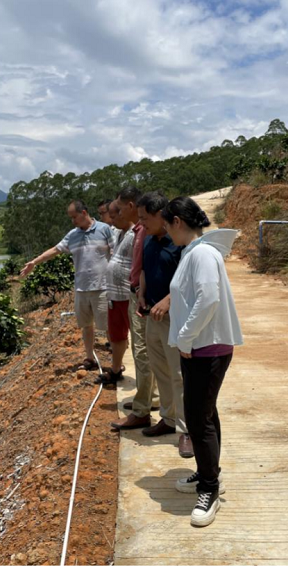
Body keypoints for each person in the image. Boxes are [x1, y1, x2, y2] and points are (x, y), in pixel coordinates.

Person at [162, 196, 243, 528]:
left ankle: (209, 489)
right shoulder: (195, 253)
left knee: (198, 418)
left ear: (178, 222)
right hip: (200, 347)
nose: (167, 233)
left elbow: (208, 298)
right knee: (204, 413)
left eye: (167, 226)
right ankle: (210, 474)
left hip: (205, 348)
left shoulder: (203, 254)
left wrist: (184, 335)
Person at [130, 192, 194, 459]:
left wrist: (168, 301)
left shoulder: (179, 242)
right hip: (152, 315)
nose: (141, 223)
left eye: (145, 217)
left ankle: (187, 431)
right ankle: (168, 419)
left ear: (161, 215)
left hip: (174, 317)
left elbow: (186, 280)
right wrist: (143, 294)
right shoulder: (148, 240)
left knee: (179, 375)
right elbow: (145, 270)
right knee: (161, 370)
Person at [20, 199, 114, 370]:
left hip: (102, 287)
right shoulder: (73, 235)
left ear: (84, 213)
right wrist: (34, 262)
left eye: (74, 217)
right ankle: (89, 358)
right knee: (86, 326)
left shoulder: (104, 229)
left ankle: (116, 363)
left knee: (108, 326)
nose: (73, 221)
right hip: (81, 288)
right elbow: (55, 250)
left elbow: (115, 253)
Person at [111, 187, 160, 430]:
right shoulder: (139, 230)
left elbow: (146, 265)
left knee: (141, 352)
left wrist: (141, 293)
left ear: (131, 206)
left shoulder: (143, 231)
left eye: (119, 208)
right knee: (146, 351)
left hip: (141, 298)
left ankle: (142, 411)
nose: (116, 214)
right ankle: (149, 398)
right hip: (139, 295)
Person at [96, 200, 134, 385]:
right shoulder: (118, 233)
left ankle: (149, 386)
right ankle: (116, 369)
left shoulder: (137, 234)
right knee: (116, 335)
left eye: (113, 216)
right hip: (114, 295)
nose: (110, 220)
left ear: (124, 213)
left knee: (139, 341)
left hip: (129, 295)